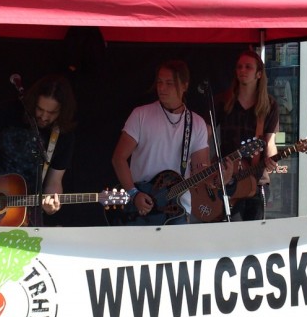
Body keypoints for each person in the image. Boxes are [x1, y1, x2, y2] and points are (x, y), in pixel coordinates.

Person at [0, 73, 78, 227]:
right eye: (40, 109)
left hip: (21, 215)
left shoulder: (63, 135)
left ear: (62, 111)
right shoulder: (9, 111)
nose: (44, 117)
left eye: (52, 113)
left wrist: (51, 205)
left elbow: (54, 181)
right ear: (33, 102)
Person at [111, 60, 210, 225]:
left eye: (169, 83)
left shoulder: (197, 123)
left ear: (184, 86)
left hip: (177, 209)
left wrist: (219, 176)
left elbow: (201, 170)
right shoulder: (141, 114)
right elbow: (118, 158)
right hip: (141, 205)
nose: (162, 88)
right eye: (159, 82)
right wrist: (133, 193)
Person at [213, 50, 279, 221]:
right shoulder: (223, 101)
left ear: (259, 74)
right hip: (228, 179)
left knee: (253, 232)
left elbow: (270, 141)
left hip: (255, 180)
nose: (242, 70)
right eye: (239, 67)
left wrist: (271, 161)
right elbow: (204, 134)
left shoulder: (269, 105)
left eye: (248, 67)